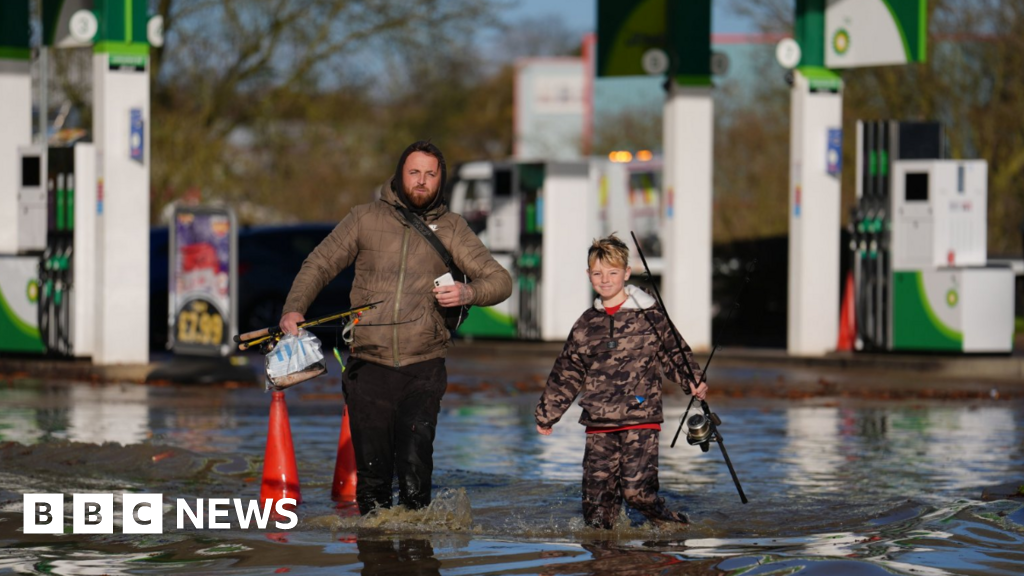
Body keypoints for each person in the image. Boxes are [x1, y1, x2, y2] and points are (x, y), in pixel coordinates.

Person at [279, 141, 512, 514]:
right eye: (414, 172)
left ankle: (418, 560)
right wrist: (294, 309)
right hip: (368, 365)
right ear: (400, 174)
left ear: (441, 180)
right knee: (373, 484)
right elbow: (319, 264)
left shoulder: (452, 228)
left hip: (424, 366)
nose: (421, 182)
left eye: (430, 175)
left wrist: (469, 291)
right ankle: (377, 558)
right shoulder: (364, 218)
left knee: (415, 472)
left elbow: (501, 281)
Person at [534, 234, 708, 530]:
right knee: (596, 511)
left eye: (613, 272)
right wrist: (547, 414)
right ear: (588, 276)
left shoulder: (651, 316)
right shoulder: (585, 324)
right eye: (598, 273)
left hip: (641, 419)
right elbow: (567, 370)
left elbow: (674, 353)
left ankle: (676, 528)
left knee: (637, 494)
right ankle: (607, 561)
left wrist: (692, 380)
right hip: (599, 423)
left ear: (626, 273)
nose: (605, 279)